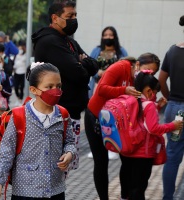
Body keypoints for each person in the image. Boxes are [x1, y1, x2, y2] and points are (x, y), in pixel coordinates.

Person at [0, 62, 76, 200]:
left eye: (58, 86)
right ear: (34, 89)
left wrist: (69, 153)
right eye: (49, 87)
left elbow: (69, 142)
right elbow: (6, 152)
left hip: (55, 189)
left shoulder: (63, 114)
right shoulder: (19, 116)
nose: (55, 91)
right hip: (25, 191)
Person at [32, 0, 99, 170]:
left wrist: (82, 63)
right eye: (69, 16)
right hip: (56, 114)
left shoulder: (68, 41)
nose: (74, 19)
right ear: (55, 18)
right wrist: (82, 63)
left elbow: (94, 63)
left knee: (64, 168)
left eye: (75, 15)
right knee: (55, 166)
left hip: (71, 114)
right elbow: (80, 74)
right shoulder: (50, 41)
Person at [85, 53, 160, 200]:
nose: (148, 74)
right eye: (147, 69)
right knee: (101, 161)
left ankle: (124, 196)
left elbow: (147, 99)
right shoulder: (121, 67)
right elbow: (101, 89)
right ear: (137, 64)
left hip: (120, 123)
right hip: (96, 117)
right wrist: (123, 90)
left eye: (152, 72)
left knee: (127, 159)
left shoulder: (142, 80)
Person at [119, 71, 183, 200]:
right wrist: (173, 125)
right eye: (154, 92)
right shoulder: (149, 106)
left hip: (127, 151)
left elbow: (141, 121)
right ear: (149, 90)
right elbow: (153, 128)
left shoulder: (130, 100)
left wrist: (157, 107)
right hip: (143, 154)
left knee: (130, 186)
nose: (154, 95)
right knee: (139, 188)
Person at [87, 26, 128, 160]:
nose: (108, 37)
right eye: (106, 35)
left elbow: (127, 66)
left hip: (114, 91)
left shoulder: (121, 51)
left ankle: (113, 146)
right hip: (98, 87)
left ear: (115, 36)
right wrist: (97, 72)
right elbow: (89, 66)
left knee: (113, 116)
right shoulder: (97, 50)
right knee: (96, 115)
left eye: (111, 35)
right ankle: (96, 147)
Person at [160, 15, 184, 200]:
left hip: (174, 110)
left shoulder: (172, 51)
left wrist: (170, 99)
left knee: (173, 156)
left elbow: (161, 80)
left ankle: (168, 197)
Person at [13, 40, 27, 105]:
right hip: (16, 72)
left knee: (21, 87)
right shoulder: (16, 54)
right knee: (16, 87)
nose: (20, 49)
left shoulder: (26, 55)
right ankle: (18, 98)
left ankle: (20, 99)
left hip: (23, 73)